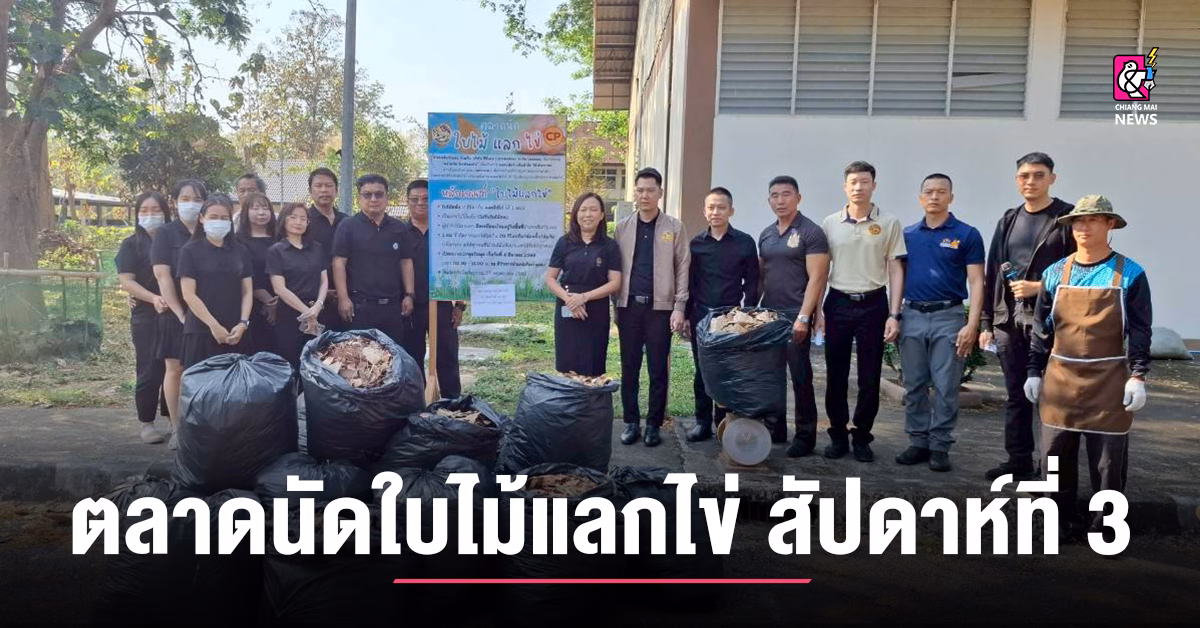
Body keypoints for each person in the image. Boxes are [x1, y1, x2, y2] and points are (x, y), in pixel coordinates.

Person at [1025, 195, 1151, 541]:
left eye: (1093, 220)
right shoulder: (1054, 273)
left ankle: (1107, 526)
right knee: (1054, 457)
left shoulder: (1131, 274)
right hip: (1060, 380)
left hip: (1109, 382)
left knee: (1108, 462)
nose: (1084, 227)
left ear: (1110, 224)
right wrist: (1034, 371)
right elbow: (1041, 329)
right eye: (1078, 221)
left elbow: (1140, 329)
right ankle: (1060, 522)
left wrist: (1138, 375)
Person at [978, 152, 1076, 481]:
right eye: (1024, 176)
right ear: (1016, 180)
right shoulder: (1008, 220)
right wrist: (987, 322)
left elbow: (1081, 269)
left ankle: (1051, 469)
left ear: (1052, 179)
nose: (1030, 181)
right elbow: (992, 272)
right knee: (1016, 394)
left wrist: (1040, 287)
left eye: (1038, 175)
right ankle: (1018, 460)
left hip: (1052, 321)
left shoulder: (1066, 218)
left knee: (1051, 397)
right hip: (1009, 320)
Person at [895, 174, 985, 472]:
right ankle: (917, 441)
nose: (934, 197)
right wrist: (894, 315)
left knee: (946, 385)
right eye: (929, 192)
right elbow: (897, 278)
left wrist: (972, 324)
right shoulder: (908, 235)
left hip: (949, 317)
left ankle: (940, 445)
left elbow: (977, 281)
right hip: (912, 315)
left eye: (941, 192)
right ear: (920, 198)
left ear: (951, 197)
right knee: (913, 384)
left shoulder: (967, 234)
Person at [818, 161, 906, 463]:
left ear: (874, 185)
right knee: (836, 374)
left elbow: (895, 268)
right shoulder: (830, 223)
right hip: (838, 302)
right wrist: (817, 311)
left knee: (869, 375)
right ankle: (838, 434)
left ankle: (862, 436)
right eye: (853, 182)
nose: (859, 187)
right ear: (845, 187)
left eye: (864, 181)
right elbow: (821, 271)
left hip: (873, 304)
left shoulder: (889, 222)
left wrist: (894, 313)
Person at [613, 167, 690, 448]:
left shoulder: (674, 227)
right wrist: (615, 306)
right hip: (629, 308)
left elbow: (682, 267)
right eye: (640, 190)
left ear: (661, 193)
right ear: (635, 193)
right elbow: (614, 270)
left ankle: (654, 424)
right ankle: (631, 422)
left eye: (650, 190)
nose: (644, 195)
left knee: (658, 369)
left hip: (661, 310)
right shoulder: (622, 228)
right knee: (629, 366)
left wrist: (679, 306)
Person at [757, 175, 830, 456]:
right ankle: (775, 428)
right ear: (769, 200)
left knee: (800, 375)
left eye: (786, 194)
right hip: (769, 314)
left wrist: (805, 317)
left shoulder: (811, 232)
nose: (780, 200)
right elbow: (762, 276)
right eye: (774, 195)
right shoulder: (766, 234)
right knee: (772, 375)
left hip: (795, 313)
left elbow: (817, 278)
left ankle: (805, 436)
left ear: (798, 198)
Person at [684, 187, 759, 442]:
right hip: (702, 317)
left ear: (731, 211)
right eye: (711, 207)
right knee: (702, 371)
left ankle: (724, 422)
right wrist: (686, 315)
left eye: (721, 207)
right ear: (704, 212)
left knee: (727, 372)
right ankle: (702, 422)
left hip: (732, 318)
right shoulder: (696, 244)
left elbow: (752, 282)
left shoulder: (744, 242)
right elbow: (690, 283)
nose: (715, 212)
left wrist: (748, 314)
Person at [151, 178, 206, 450]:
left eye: (197, 199)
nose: (191, 204)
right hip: (176, 313)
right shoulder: (166, 234)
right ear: (174, 203)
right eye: (185, 199)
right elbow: (163, 276)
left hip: (206, 314)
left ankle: (201, 427)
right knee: (175, 369)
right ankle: (176, 428)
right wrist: (182, 314)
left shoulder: (209, 230)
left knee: (201, 370)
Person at [402, 179, 469, 397]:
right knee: (411, 357)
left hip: (442, 304)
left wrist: (459, 305)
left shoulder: (447, 231)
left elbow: (459, 267)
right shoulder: (399, 232)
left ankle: (452, 403)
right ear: (407, 201)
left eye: (426, 199)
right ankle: (417, 403)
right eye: (414, 199)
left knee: (447, 356)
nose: (420, 203)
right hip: (409, 306)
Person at [116, 191, 173, 445]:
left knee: (174, 368)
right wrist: (153, 298)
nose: (151, 215)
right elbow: (127, 281)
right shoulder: (131, 245)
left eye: (156, 210)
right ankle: (147, 423)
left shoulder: (175, 241)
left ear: (166, 213)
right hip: (146, 314)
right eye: (145, 211)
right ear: (137, 215)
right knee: (149, 368)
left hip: (175, 312)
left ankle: (173, 419)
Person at [332, 173, 415, 347]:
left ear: (387, 197)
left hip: (392, 307)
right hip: (359, 307)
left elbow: (406, 262)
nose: (373, 199)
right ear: (359, 198)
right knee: (359, 358)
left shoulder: (399, 228)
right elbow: (339, 263)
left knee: (391, 356)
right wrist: (343, 298)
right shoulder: (347, 226)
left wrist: (409, 295)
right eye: (367, 194)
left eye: (379, 194)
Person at [546, 192, 623, 377]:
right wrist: (570, 300)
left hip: (596, 310)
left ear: (602, 215)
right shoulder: (564, 243)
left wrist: (584, 297)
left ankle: (591, 394)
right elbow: (550, 278)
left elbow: (615, 282)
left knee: (593, 363)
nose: (588, 214)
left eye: (593, 210)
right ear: (576, 214)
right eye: (583, 210)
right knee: (568, 364)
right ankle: (569, 394)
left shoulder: (609, 246)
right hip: (567, 308)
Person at [177, 194, 254, 369]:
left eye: (224, 218)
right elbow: (188, 294)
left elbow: (247, 291)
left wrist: (243, 323)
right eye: (213, 217)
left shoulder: (241, 251)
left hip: (236, 331)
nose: (218, 222)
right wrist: (213, 325)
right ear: (202, 218)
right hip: (201, 330)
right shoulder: (189, 251)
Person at [267, 203, 329, 369]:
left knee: (317, 363)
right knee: (291, 362)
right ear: (284, 221)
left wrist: (318, 306)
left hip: (317, 310)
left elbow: (324, 280)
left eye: (303, 218)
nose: (298, 222)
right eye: (293, 217)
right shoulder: (276, 251)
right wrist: (307, 313)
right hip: (290, 315)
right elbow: (279, 288)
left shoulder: (316, 248)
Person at [235, 191, 279, 354]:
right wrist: (268, 301)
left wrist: (277, 301)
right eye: (255, 208)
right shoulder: (237, 240)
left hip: (282, 301)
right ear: (246, 212)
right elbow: (243, 275)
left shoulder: (279, 238)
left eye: (265, 208)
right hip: (252, 305)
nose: (261, 212)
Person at [306, 167, 347, 331]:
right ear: (310, 191)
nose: (324, 190)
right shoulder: (302, 221)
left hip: (346, 299)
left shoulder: (347, 222)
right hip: (312, 301)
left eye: (329, 185)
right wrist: (319, 290)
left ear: (336, 190)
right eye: (318, 186)